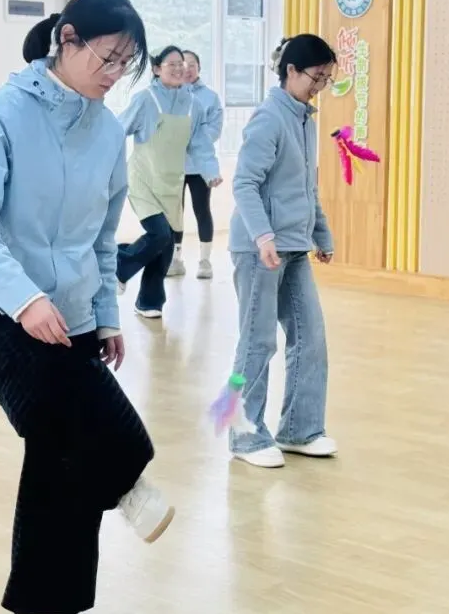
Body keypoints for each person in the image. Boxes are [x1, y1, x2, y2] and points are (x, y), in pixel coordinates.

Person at [0, 0, 174, 614]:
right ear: (67, 40)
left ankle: (47, 613)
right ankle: (124, 484)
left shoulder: (107, 132)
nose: (115, 74)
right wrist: (23, 298)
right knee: (87, 430)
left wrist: (105, 317)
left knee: (68, 450)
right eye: (108, 58)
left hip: (69, 314)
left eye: (126, 63)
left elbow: (102, 238)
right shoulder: (5, 111)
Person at [227, 34, 338, 468]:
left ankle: (300, 429)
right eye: (316, 77)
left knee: (310, 338)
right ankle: (243, 434)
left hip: (293, 247)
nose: (320, 87)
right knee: (256, 343)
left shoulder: (304, 119)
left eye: (326, 79)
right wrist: (263, 237)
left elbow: (307, 188)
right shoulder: (269, 118)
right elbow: (244, 184)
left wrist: (321, 234)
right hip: (260, 249)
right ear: (291, 71)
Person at [115, 45, 221, 318]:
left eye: (181, 64)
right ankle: (119, 265)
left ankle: (148, 302)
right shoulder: (145, 99)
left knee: (165, 245)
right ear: (156, 69)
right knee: (160, 234)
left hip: (172, 183)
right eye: (171, 64)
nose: (178, 68)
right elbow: (117, 130)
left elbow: (200, 143)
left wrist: (210, 171)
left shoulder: (194, 105)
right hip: (143, 179)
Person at [167, 49, 224, 280]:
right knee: (174, 213)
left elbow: (214, 129)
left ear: (199, 68)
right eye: (183, 64)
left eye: (192, 64)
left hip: (200, 166)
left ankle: (205, 260)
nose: (187, 69)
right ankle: (175, 259)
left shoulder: (210, 97)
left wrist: (190, 140)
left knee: (202, 210)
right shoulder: (170, 94)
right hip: (174, 164)